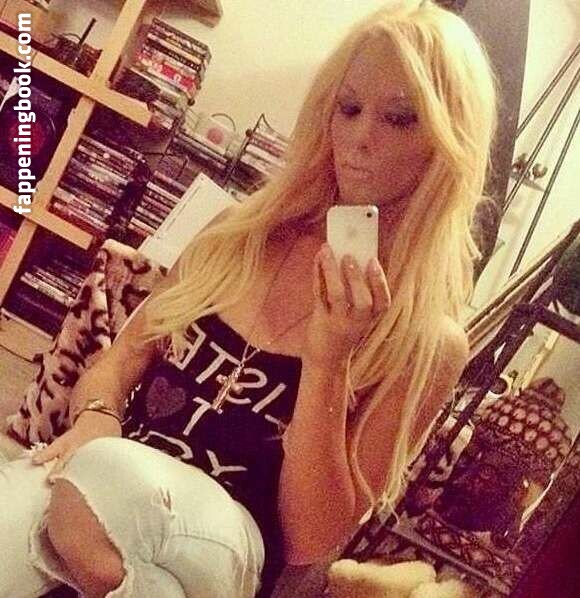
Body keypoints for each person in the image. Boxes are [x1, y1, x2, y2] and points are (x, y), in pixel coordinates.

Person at [0, 1, 497, 596]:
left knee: (109, 479)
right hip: (103, 491)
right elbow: (122, 358)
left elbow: (312, 538)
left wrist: (330, 361)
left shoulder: (427, 340)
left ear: (447, 141)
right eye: (349, 108)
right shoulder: (237, 234)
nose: (361, 137)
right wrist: (95, 417)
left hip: (227, 539)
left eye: (400, 118)